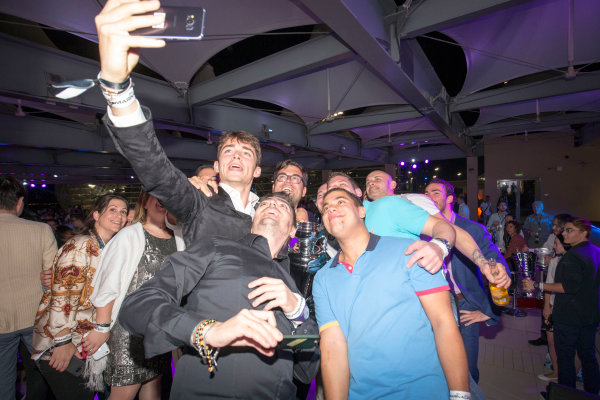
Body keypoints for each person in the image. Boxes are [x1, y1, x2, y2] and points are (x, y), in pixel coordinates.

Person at [118, 193, 319, 399]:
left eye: (283, 207)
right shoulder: (216, 247)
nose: (272, 205)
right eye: (265, 203)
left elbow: (305, 371)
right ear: (253, 219)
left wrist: (298, 313)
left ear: (293, 230)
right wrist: (206, 330)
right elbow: (138, 305)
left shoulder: (294, 283)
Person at [96, 0, 261, 247]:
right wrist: (117, 88)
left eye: (245, 153)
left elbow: (287, 250)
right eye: (229, 151)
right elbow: (155, 170)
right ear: (217, 166)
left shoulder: (268, 209)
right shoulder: (198, 201)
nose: (236, 157)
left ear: (257, 170)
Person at [313, 188, 469, 399]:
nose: (331, 208)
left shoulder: (410, 251)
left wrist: (460, 394)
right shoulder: (323, 278)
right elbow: (333, 349)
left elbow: (444, 323)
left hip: (423, 391)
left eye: (340, 202)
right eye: (326, 207)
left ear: (361, 211)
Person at [31, 194, 128, 400]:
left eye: (123, 212)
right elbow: (63, 295)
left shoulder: (107, 249)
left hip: (84, 344)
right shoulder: (82, 245)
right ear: (96, 215)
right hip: (63, 345)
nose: (119, 215)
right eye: (112, 209)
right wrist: (63, 342)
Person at [86, 191, 177, 399]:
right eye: (156, 196)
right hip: (128, 334)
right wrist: (102, 328)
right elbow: (109, 284)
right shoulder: (129, 235)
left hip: (157, 329)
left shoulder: (177, 236)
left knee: (153, 391)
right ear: (145, 201)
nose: (162, 202)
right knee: (123, 394)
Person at [425, 178, 510, 384]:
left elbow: (493, 260)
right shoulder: (421, 232)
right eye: (426, 193)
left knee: (467, 370)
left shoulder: (472, 229)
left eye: (436, 192)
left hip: (464, 305)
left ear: (450, 199)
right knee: (434, 366)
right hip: (432, 305)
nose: (429, 196)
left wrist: (489, 311)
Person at [524, 217, 600, 395]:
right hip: (590, 314)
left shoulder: (572, 256)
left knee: (565, 359)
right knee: (588, 356)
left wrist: (537, 285)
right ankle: (592, 393)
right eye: (564, 230)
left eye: (569, 230)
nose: (563, 233)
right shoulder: (596, 251)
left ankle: (565, 395)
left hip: (570, 316)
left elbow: (567, 287)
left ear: (584, 233)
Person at [0, 176, 58, 400]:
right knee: (44, 377)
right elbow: (54, 278)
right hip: (35, 317)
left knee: (3, 382)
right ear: (19, 201)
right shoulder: (41, 229)